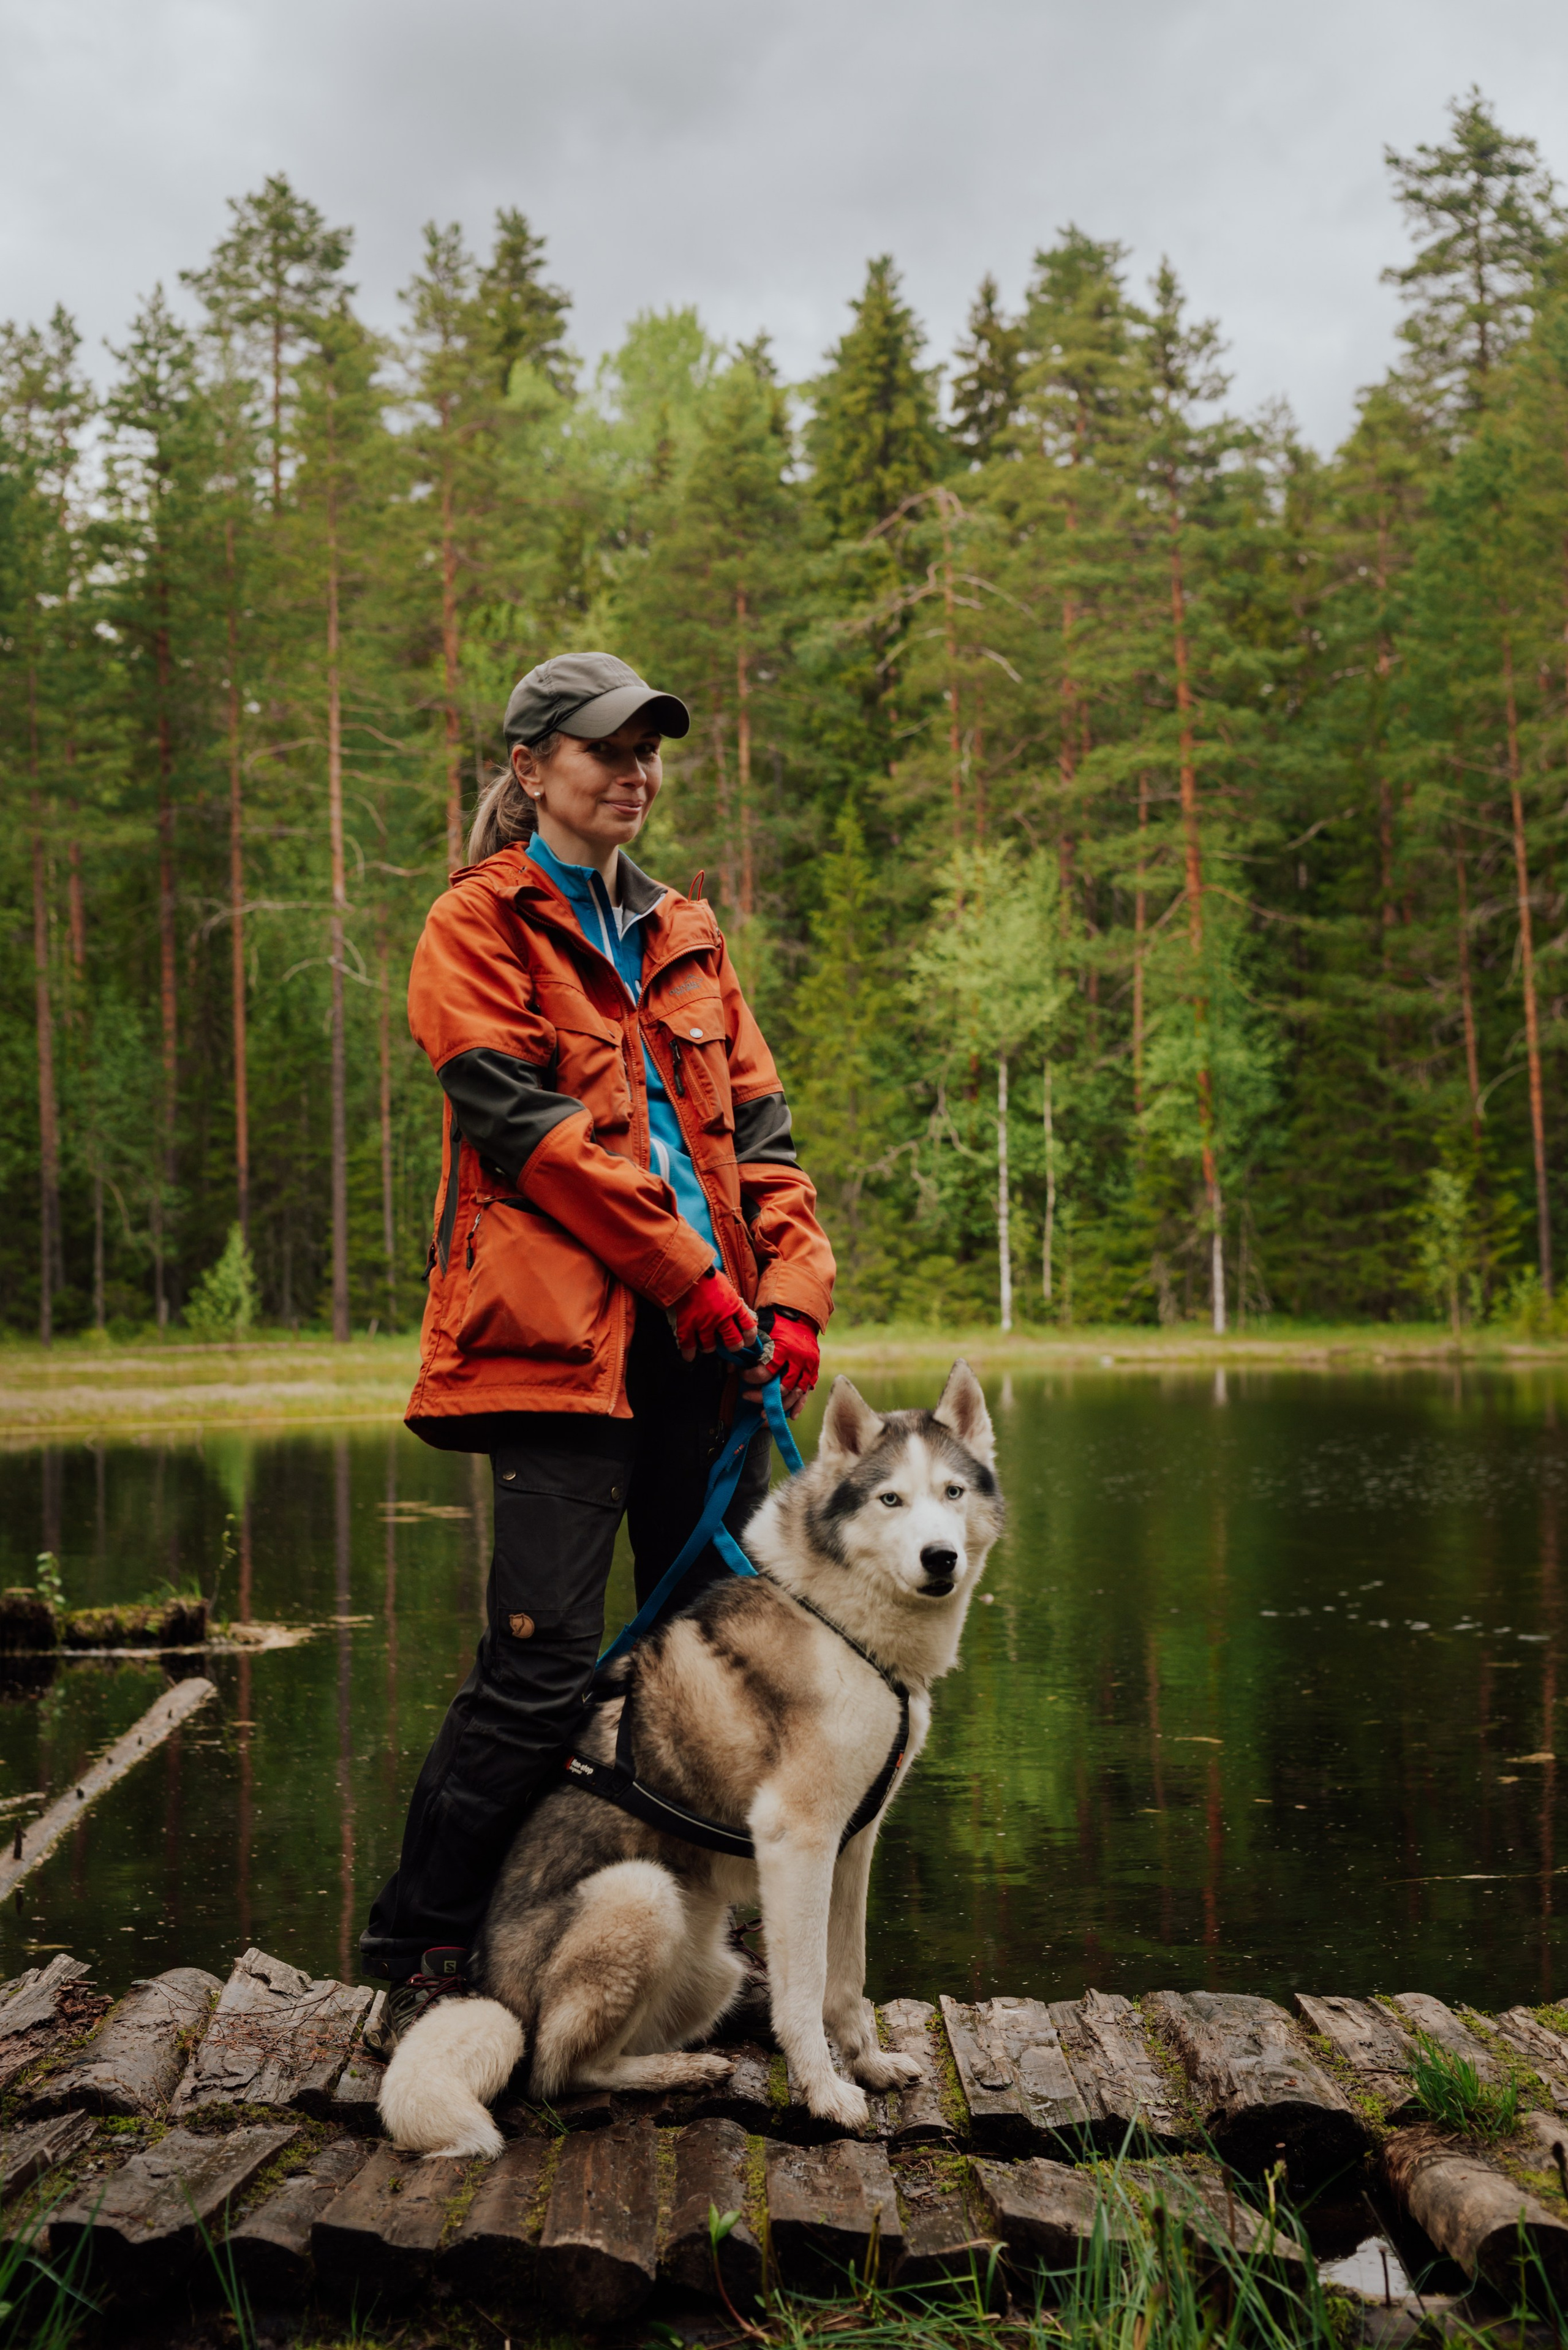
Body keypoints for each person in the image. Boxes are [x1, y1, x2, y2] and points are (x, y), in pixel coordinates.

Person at [360, 652, 835, 2048]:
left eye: (648, 750)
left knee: (709, 1667)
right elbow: (532, 1132)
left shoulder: (687, 928)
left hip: (717, 1351)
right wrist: (687, 1271)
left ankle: (697, 1965)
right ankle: (421, 1948)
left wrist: (790, 1293)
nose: (634, 769)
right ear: (530, 767)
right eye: (604, 748)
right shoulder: (475, 926)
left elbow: (764, 1141)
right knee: (545, 1661)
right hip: (564, 1350)